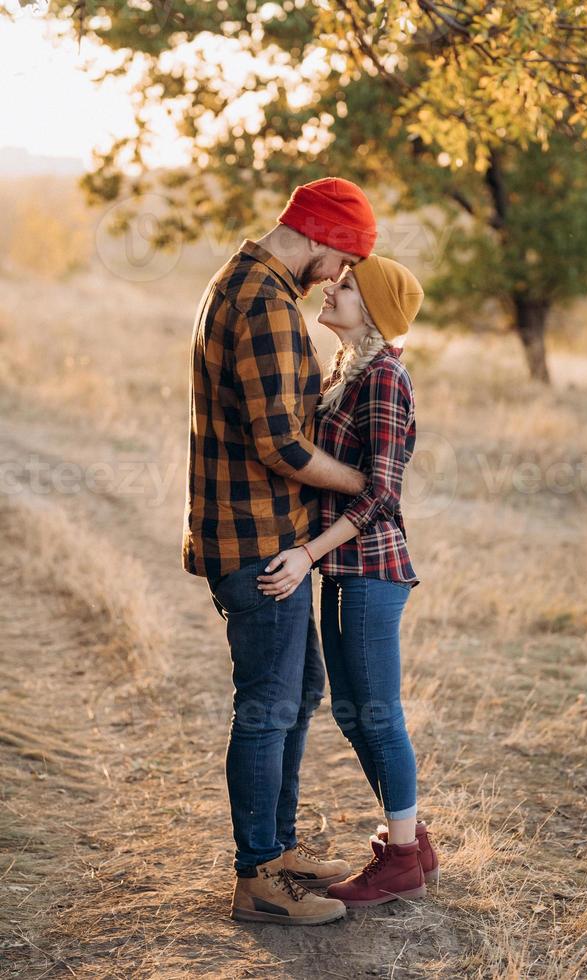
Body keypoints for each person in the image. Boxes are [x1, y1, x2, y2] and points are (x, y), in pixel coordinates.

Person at [182, 177, 380, 925]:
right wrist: (366, 481)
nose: (336, 279)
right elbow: (282, 445)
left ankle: (279, 850)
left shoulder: (240, 280)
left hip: (264, 533)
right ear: (322, 240)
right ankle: (258, 879)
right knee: (267, 708)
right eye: (341, 262)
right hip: (259, 542)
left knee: (296, 697)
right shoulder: (264, 304)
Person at [256, 254, 440, 908]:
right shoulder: (346, 370)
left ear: (376, 312)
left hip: (369, 570)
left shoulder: (385, 376)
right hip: (345, 570)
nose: (331, 287)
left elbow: (382, 495)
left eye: (349, 286)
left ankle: (400, 859)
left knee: (377, 713)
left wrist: (307, 554)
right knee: (350, 709)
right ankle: (411, 842)